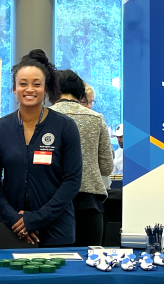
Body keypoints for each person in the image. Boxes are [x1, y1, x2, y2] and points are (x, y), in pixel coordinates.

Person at [0, 49, 82, 247]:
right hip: (11, 229)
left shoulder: (65, 126)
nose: (29, 89)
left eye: (37, 84)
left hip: (57, 230)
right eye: (23, 83)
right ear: (14, 88)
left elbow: (72, 181)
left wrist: (35, 219)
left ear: (47, 88)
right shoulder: (0, 128)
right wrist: (15, 220)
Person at [50, 70, 113, 246]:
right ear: (80, 92)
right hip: (88, 203)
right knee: (90, 262)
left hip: (51, 203)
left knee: (55, 261)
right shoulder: (96, 119)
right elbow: (107, 167)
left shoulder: (43, 117)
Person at [81, 82, 112, 189]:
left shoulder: (97, 120)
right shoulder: (97, 120)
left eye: (91, 102)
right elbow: (107, 164)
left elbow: (108, 161)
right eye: (85, 102)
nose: (89, 106)